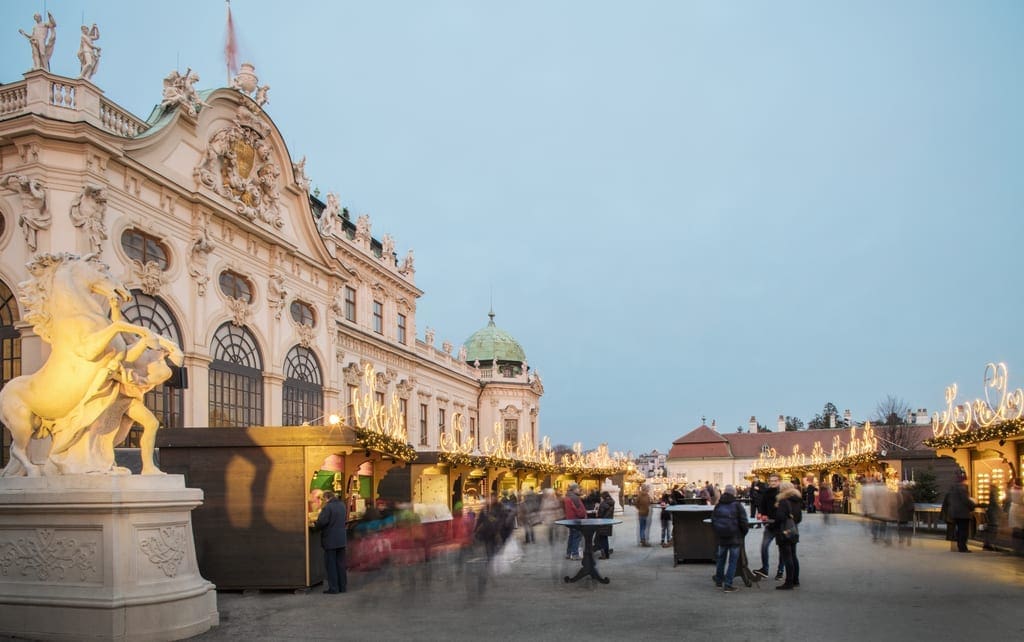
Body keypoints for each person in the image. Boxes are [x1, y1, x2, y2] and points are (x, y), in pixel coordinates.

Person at [711, 485, 749, 593]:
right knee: (733, 561)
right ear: (734, 493)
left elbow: (713, 520)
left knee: (721, 560)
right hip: (735, 537)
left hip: (722, 537)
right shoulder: (737, 505)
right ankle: (728, 584)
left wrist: (718, 532)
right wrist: (743, 534)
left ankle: (719, 581)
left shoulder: (718, 505)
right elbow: (744, 522)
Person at [311, 490, 348, 594]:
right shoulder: (342, 505)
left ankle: (334, 588)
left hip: (331, 540)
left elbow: (322, 522)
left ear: (327, 497)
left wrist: (315, 526)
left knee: (331, 565)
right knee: (341, 564)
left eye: (323, 499)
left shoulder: (328, 507)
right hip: (341, 540)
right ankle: (342, 587)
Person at [754, 474, 784, 580]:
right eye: (771, 481)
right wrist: (761, 514)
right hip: (769, 524)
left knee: (782, 549)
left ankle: (780, 571)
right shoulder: (766, 492)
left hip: (780, 525)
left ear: (779, 481)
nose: (773, 483)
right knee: (764, 546)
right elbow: (762, 505)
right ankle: (765, 569)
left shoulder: (783, 492)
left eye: (775, 481)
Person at [774, 481, 803, 590]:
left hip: (784, 531)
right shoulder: (797, 500)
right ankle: (796, 580)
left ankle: (789, 582)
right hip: (793, 530)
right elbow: (799, 518)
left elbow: (780, 517)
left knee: (787, 556)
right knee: (793, 555)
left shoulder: (783, 501)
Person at [941, 476, 976, 553]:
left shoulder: (953, 489)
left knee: (959, 530)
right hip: (963, 513)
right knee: (963, 530)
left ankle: (960, 546)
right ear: (964, 481)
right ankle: (963, 547)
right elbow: (966, 500)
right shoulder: (962, 489)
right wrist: (973, 505)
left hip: (955, 513)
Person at [563, 483, 587, 559]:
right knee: (576, 537)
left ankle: (568, 553)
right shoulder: (575, 498)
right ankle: (575, 554)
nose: (579, 489)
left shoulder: (567, 496)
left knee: (571, 536)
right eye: (577, 488)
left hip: (570, 520)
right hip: (576, 520)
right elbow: (579, 510)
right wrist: (583, 515)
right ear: (573, 489)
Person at [596, 491, 616, 559]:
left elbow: (600, 514)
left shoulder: (603, 504)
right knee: (605, 538)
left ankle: (604, 555)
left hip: (602, 523)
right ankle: (606, 554)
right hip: (608, 522)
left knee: (602, 539)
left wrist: (597, 513)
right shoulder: (611, 502)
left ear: (603, 497)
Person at [896, 481, 916, 545]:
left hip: (901, 513)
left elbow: (897, 504)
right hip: (908, 513)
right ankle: (909, 540)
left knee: (900, 526)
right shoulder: (909, 493)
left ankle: (901, 539)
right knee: (908, 526)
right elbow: (912, 504)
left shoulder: (899, 494)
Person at [982, 483, 1000, 551]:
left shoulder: (992, 492)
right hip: (994, 513)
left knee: (991, 529)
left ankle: (987, 544)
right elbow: (995, 502)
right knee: (993, 528)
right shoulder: (994, 492)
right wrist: (1001, 510)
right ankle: (990, 544)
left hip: (991, 512)